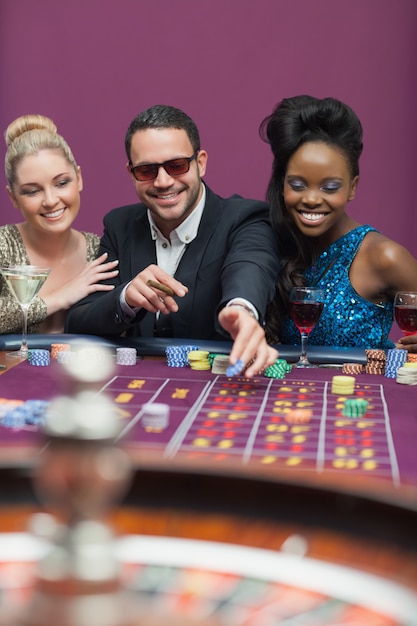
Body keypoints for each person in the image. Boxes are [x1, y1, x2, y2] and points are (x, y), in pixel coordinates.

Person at [66, 104, 279, 376]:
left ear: (200, 163)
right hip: (139, 394)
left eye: (177, 166)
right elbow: (78, 322)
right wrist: (125, 299)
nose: (163, 181)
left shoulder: (245, 218)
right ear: (131, 172)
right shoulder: (119, 226)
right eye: (146, 171)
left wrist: (241, 310)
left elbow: (251, 267)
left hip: (216, 390)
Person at [259, 95, 417, 352]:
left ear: (352, 187)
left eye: (330, 187)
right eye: (297, 185)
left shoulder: (382, 256)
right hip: (289, 392)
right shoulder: (272, 242)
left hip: (361, 392)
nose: (311, 199)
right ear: (282, 185)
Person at [1, 114, 119, 334]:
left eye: (62, 183)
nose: (51, 200)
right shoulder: (3, 244)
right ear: (13, 197)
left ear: (79, 178)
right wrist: (61, 296)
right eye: (32, 191)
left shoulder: (100, 250)